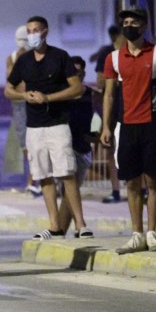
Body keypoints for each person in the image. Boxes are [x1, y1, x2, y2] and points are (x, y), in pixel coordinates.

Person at [5, 16, 92, 240]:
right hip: (34, 126)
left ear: (45, 32)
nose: (32, 34)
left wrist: (49, 98)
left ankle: (81, 225)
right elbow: (8, 89)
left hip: (58, 124)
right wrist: (24, 95)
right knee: (43, 175)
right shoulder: (24, 61)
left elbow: (77, 88)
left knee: (66, 174)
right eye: (29, 30)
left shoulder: (60, 56)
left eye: (36, 30)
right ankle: (54, 226)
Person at [101, 7, 156, 254]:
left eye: (134, 22)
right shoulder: (113, 58)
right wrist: (106, 126)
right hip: (126, 126)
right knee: (131, 182)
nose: (129, 26)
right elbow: (109, 95)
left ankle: (152, 233)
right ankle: (136, 234)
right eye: (126, 22)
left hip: (152, 124)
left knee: (152, 180)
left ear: (144, 26)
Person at [55, 57, 95, 235]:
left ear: (84, 74)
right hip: (66, 146)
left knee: (71, 192)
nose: (76, 76)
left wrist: (99, 134)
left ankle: (61, 230)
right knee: (68, 190)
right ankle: (65, 230)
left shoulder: (90, 93)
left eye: (79, 73)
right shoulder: (62, 94)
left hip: (83, 147)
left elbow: (100, 115)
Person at [3, 25, 39, 196]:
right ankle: (34, 178)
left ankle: (35, 180)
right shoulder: (11, 58)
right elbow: (11, 80)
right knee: (25, 145)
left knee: (36, 144)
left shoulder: (37, 57)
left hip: (34, 104)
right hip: (19, 105)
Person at [92, 25, 123, 203]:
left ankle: (142, 189)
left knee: (135, 151)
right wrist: (117, 80)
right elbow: (100, 81)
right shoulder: (107, 53)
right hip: (111, 107)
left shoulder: (135, 51)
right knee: (110, 149)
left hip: (131, 107)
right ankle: (116, 190)